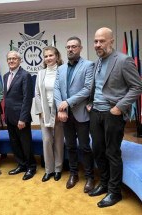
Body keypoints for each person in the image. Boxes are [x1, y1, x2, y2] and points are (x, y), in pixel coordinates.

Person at [87, 27, 142, 207]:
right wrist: (90, 103)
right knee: (98, 150)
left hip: (113, 114)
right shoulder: (97, 62)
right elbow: (97, 86)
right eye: (95, 41)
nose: (98, 44)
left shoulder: (123, 60)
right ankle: (103, 184)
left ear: (111, 41)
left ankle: (114, 192)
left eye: (102, 41)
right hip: (95, 113)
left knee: (112, 153)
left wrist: (119, 107)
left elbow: (137, 87)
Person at [54, 37, 95, 193]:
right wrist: (61, 108)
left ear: (80, 48)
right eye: (68, 46)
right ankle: (73, 174)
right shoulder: (61, 68)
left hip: (81, 114)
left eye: (74, 46)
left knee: (85, 147)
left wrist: (68, 102)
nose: (70, 49)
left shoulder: (89, 65)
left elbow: (87, 89)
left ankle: (90, 177)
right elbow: (57, 89)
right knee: (70, 146)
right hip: (65, 115)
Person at [4, 50, 36, 180]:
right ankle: (21, 164)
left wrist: (22, 118)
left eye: (14, 59)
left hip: (21, 118)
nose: (11, 61)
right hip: (9, 117)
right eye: (9, 59)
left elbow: (27, 99)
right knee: (15, 143)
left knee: (25, 143)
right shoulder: (6, 76)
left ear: (19, 60)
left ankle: (31, 167)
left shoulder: (25, 75)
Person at [35, 46, 64, 182]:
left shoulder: (63, 71)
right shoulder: (40, 73)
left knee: (58, 141)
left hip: (59, 111)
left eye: (51, 55)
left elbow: (65, 93)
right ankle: (49, 170)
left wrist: (61, 110)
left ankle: (58, 169)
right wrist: (40, 111)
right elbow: (37, 93)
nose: (48, 58)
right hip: (45, 112)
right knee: (46, 141)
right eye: (46, 56)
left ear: (57, 56)